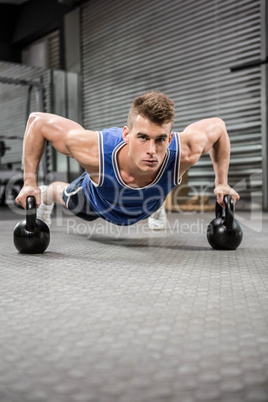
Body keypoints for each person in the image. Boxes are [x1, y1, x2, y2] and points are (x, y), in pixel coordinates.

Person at [15, 91, 240, 229]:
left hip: (147, 202)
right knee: (64, 196)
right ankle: (49, 193)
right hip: (97, 203)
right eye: (142, 137)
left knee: (153, 194)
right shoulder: (95, 150)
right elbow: (38, 122)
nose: (152, 150)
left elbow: (218, 127)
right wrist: (29, 183)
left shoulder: (184, 151)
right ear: (126, 134)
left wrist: (221, 182)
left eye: (160, 139)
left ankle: (155, 207)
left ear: (170, 137)